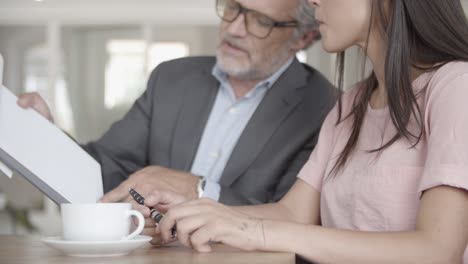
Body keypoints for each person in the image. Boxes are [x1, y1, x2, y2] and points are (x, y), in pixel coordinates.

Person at [144, 0, 468, 263]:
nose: (312, 1)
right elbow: (293, 213)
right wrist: (195, 212)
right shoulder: (352, 103)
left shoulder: (455, 86)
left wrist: (252, 231)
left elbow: (438, 250)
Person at [17, 0, 336, 235]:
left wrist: (198, 188)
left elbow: (293, 220)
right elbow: (101, 170)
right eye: (232, 8)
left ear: (303, 38)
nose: (235, 29)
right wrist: (47, 137)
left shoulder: (324, 108)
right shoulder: (171, 79)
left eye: (260, 21)